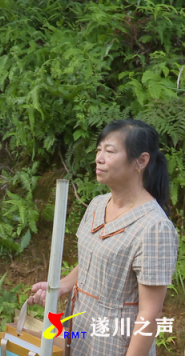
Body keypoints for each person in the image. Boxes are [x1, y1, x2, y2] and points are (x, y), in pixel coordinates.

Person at [28, 120, 178, 356]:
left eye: (110, 151)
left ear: (141, 161)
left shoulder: (155, 228)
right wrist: (64, 284)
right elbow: (94, 258)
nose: (99, 157)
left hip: (116, 342)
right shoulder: (98, 205)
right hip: (79, 327)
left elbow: (150, 313)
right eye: (99, 150)